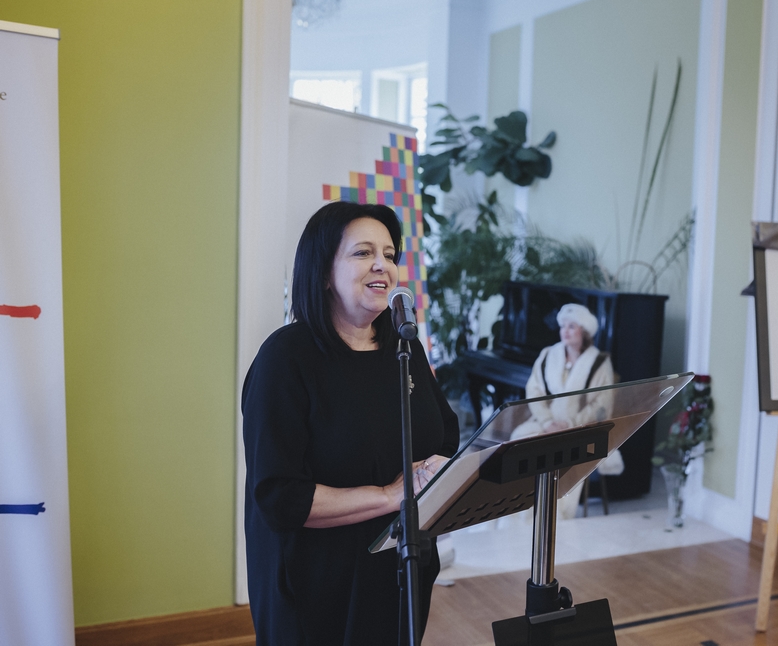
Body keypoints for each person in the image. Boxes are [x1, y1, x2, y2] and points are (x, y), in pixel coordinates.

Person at [242, 202, 460, 645]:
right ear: (324, 273)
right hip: (317, 583)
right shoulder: (285, 358)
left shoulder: (404, 347)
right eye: (363, 253)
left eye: (389, 254)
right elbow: (281, 496)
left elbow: (445, 435)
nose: (382, 265)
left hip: (401, 566)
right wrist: (389, 496)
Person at [510, 303, 621, 519]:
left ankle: (553, 517)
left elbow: (601, 405)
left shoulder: (599, 362)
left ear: (584, 331)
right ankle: (521, 511)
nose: (565, 331)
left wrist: (570, 424)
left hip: (580, 428)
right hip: (547, 423)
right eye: (563, 326)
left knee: (562, 454)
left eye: (572, 326)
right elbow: (533, 389)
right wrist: (546, 421)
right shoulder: (548, 354)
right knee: (520, 445)